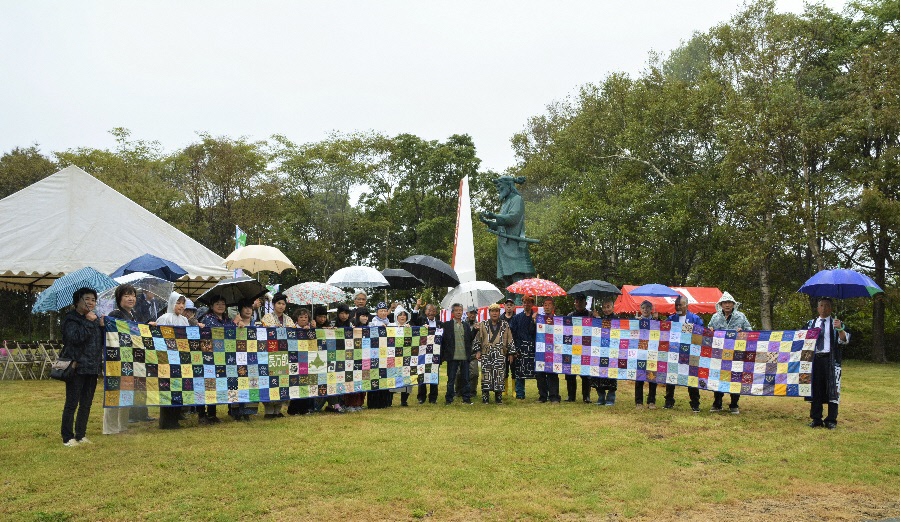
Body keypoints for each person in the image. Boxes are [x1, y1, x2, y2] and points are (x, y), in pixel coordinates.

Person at [60, 287, 104, 446]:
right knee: (72, 403)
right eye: (87, 299)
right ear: (77, 301)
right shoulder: (70, 319)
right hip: (76, 367)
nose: (90, 302)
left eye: (93, 299)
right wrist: (88, 321)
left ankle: (80, 434)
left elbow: (98, 342)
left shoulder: (93, 318)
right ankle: (67, 437)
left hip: (92, 367)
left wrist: (102, 326)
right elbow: (76, 338)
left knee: (86, 403)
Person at [805, 297, 849, 430]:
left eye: (827, 306)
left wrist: (840, 329)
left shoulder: (837, 323)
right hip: (814, 360)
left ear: (831, 308)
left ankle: (831, 420)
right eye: (822, 305)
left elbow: (845, 340)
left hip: (831, 360)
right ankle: (816, 419)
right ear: (818, 308)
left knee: (833, 390)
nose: (824, 308)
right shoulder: (811, 323)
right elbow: (801, 338)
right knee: (815, 389)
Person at [707, 292, 752, 414]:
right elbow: (709, 330)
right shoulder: (715, 317)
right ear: (721, 304)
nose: (727, 305)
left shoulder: (741, 317)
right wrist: (710, 330)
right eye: (725, 303)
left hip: (736, 353)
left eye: (729, 303)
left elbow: (750, 331)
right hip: (719, 353)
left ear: (733, 304)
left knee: (735, 377)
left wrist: (743, 331)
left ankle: (734, 404)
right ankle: (717, 403)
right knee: (718, 376)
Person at [103, 284, 138, 436]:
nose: (131, 298)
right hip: (115, 359)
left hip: (129, 358)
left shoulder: (132, 315)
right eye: (126, 296)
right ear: (119, 299)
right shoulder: (115, 314)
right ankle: (110, 428)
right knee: (114, 392)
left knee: (126, 391)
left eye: (133, 295)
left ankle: (122, 425)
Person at [154, 291, 192, 429]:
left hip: (180, 359)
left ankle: (175, 419)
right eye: (178, 302)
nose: (181, 306)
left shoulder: (184, 320)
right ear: (172, 303)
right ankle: (166, 421)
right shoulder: (165, 318)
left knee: (178, 388)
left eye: (183, 303)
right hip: (166, 359)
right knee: (167, 389)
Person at [665, 295, 705, 412]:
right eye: (676, 305)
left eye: (680, 305)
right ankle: (669, 401)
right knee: (671, 377)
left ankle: (695, 403)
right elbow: (664, 331)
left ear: (686, 305)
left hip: (690, 353)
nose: (677, 307)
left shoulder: (695, 319)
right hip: (674, 352)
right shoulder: (671, 319)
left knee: (691, 378)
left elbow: (702, 333)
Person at [196, 295, 230, 424]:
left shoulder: (227, 320)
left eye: (223, 303)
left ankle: (212, 413)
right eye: (217, 303)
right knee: (203, 384)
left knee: (214, 384)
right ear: (211, 306)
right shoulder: (207, 318)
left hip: (221, 356)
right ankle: (201, 414)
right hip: (207, 355)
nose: (221, 306)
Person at [473, 304, 515, 404]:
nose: (495, 313)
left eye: (496, 311)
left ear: (499, 312)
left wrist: (511, 353)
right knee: (486, 375)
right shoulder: (483, 324)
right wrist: (478, 351)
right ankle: (485, 397)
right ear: (489, 313)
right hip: (487, 353)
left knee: (499, 375)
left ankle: (498, 397)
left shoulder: (505, 325)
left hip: (500, 354)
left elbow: (510, 339)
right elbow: (478, 339)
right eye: (492, 311)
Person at [231, 300, 260, 421]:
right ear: (240, 310)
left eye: (250, 308)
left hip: (253, 357)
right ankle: (236, 411)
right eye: (245, 308)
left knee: (251, 383)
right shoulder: (235, 323)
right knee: (236, 382)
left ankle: (248, 411)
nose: (248, 310)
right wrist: (235, 325)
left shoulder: (256, 323)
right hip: (237, 357)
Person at [441, 303, 475, 405]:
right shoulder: (447, 325)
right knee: (451, 379)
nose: (459, 312)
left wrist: (476, 330)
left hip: (464, 356)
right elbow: (443, 340)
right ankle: (449, 399)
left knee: (466, 379)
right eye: (456, 310)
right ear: (452, 312)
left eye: (460, 310)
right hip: (452, 356)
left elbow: (470, 339)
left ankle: (466, 398)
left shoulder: (466, 325)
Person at [287, 309, 316, 416]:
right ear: (296, 319)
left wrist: (311, 330)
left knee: (305, 383)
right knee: (295, 383)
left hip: (307, 359)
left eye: (305, 317)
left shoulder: (310, 329)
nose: (303, 319)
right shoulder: (292, 329)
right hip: (295, 359)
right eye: (301, 317)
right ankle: (293, 409)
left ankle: (305, 408)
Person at [509, 295, 538, 400]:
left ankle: (543, 393)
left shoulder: (537, 317)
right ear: (522, 304)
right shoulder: (516, 318)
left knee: (538, 372)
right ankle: (520, 393)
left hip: (533, 347)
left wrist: (535, 321)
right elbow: (512, 334)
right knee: (519, 372)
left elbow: (538, 332)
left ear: (532, 304)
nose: (527, 304)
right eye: (525, 302)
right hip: (520, 347)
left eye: (529, 302)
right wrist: (514, 349)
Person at [566, 294, 594, 403]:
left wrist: (596, 318)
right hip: (572, 348)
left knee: (586, 374)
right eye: (576, 301)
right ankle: (571, 396)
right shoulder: (570, 315)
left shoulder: (590, 315)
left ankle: (586, 396)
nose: (578, 303)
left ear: (585, 303)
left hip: (586, 348)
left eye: (581, 301)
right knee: (570, 373)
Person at [412, 301, 439, 404]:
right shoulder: (421, 320)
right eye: (429, 310)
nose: (431, 312)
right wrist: (417, 306)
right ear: (425, 311)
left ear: (436, 312)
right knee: (422, 374)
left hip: (435, 353)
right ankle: (421, 397)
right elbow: (413, 320)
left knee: (433, 375)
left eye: (433, 310)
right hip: (422, 352)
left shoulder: (439, 323)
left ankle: (433, 398)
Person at [535, 297, 561, 403]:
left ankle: (554, 396)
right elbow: (532, 332)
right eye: (545, 305)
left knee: (552, 373)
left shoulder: (558, 320)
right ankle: (543, 396)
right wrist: (534, 321)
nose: (547, 307)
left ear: (553, 307)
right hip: (541, 349)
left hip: (553, 350)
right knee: (540, 373)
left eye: (549, 304)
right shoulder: (538, 319)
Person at [595, 298, 619, 406]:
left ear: (613, 307)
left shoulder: (617, 319)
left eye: (608, 307)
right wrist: (596, 319)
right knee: (599, 374)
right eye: (604, 307)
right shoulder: (599, 319)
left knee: (611, 375)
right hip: (600, 350)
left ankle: (610, 398)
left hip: (612, 351)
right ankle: (601, 397)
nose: (606, 309)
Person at [635, 300, 658, 409]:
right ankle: (638, 402)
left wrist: (657, 321)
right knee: (639, 377)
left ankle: (651, 401)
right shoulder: (636, 321)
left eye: (648, 308)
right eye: (643, 308)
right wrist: (636, 323)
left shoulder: (655, 322)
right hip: (640, 353)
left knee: (652, 377)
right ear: (640, 309)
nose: (645, 310)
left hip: (652, 353)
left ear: (651, 309)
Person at [390, 307, 414, 406]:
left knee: (407, 377)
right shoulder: (390, 326)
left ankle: (404, 400)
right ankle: (389, 400)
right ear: (396, 316)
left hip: (406, 356)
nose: (402, 317)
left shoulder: (409, 327)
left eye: (404, 315)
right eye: (400, 314)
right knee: (392, 377)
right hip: (393, 356)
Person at [456, 306, 481, 399]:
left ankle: (472, 391)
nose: (472, 315)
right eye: (471, 313)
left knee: (474, 374)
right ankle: (458, 391)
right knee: (458, 373)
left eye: (474, 313)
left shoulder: (479, 325)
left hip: (473, 353)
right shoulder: (461, 324)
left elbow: (481, 340)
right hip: (462, 353)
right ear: (467, 314)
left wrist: (479, 351)